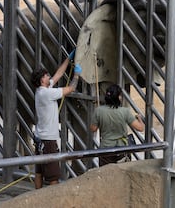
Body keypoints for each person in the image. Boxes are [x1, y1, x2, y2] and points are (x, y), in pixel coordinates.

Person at [30, 49, 81, 189]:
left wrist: (68, 59)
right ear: (42, 80)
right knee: (53, 176)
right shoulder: (47, 93)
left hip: (40, 138)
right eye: (46, 76)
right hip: (48, 141)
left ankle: (38, 198)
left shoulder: (40, 91)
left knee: (39, 172)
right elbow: (71, 88)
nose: (49, 77)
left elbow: (58, 74)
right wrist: (77, 73)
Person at [90, 84, 144, 166]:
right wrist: (139, 118)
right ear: (119, 97)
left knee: (106, 175)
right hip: (122, 148)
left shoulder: (99, 111)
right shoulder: (125, 111)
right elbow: (140, 128)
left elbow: (93, 129)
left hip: (105, 149)